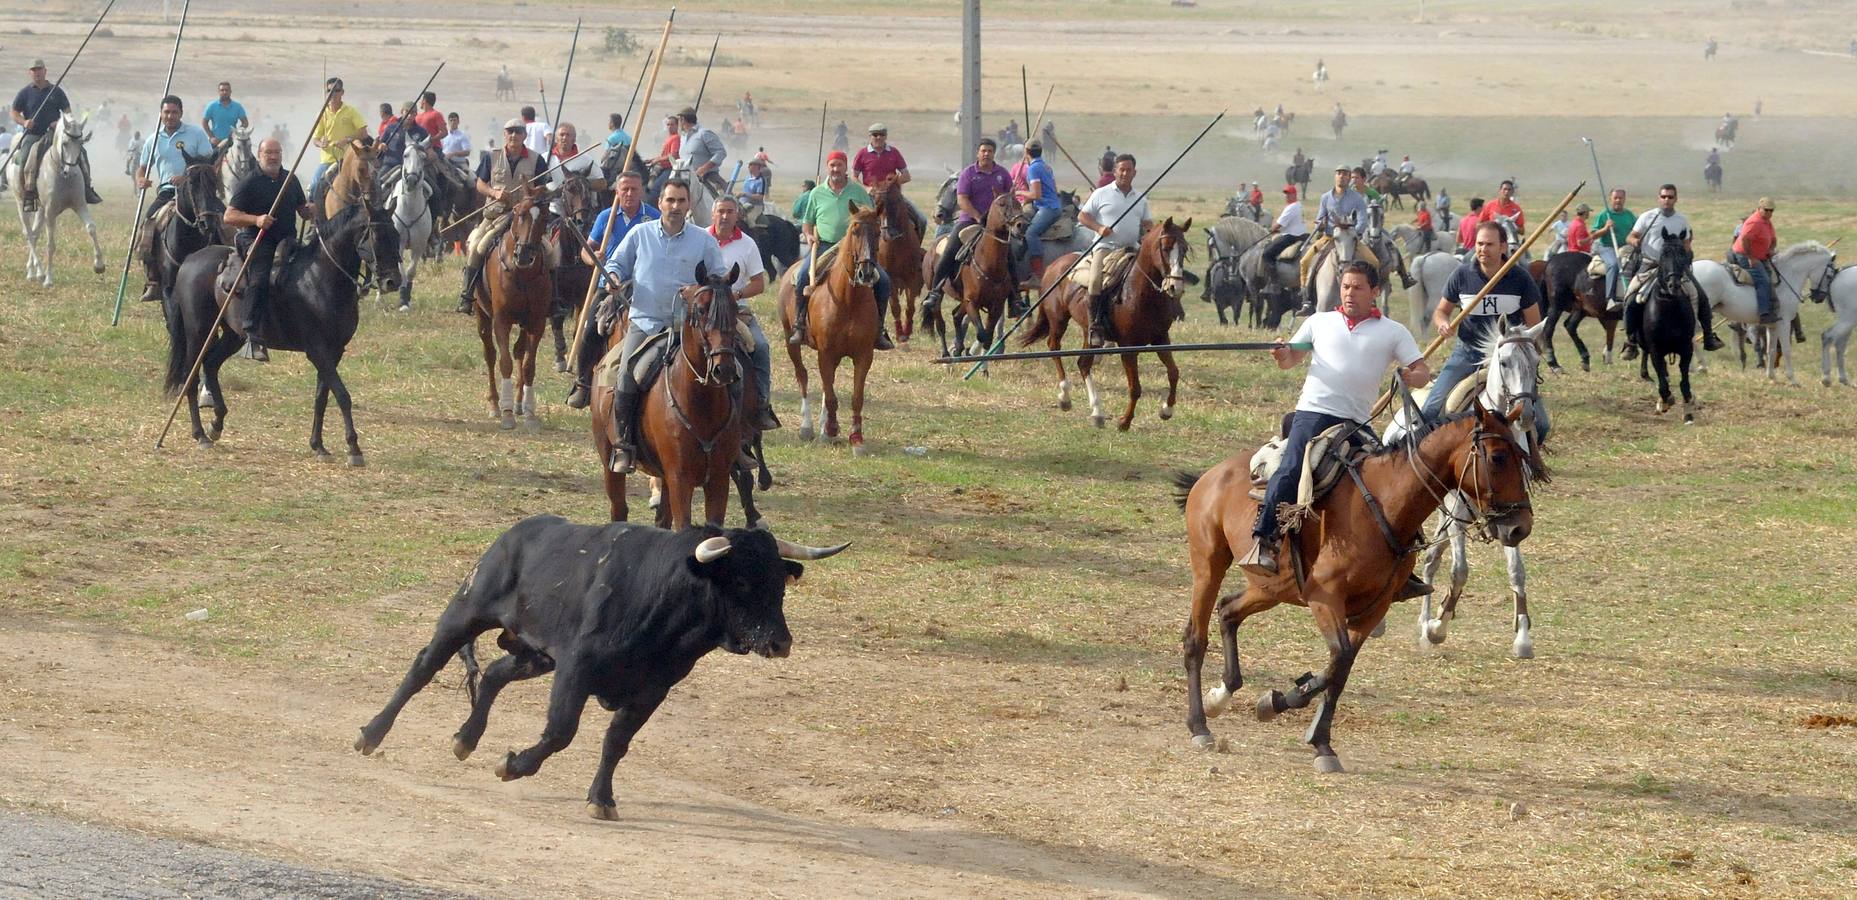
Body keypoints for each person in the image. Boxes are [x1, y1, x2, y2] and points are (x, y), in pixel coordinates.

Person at [1240, 261, 1432, 580]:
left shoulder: (1393, 332)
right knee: (1291, 467)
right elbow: (1291, 359)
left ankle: (1404, 557)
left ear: (1375, 292)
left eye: (1357, 287)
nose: (1349, 293)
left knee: (1393, 477)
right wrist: (1281, 354)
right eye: (1345, 286)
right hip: (1313, 413)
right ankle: (1264, 539)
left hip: (1357, 423)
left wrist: (1413, 376)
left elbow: (1422, 370)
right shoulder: (1319, 322)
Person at [602, 178, 727, 474]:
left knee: (733, 371)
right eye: (670, 200)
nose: (675, 206)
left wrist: (698, 290)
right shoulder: (639, 234)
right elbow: (614, 264)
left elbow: (719, 280)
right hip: (646, 323)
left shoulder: (704, 241)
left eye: (681, 201)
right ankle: (624, 444)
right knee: (626, 377)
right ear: (660, 203)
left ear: (688, 205)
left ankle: (741, 442)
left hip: (693, 328)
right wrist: (614, 277)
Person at [1421, 221, 1547, 431]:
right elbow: (1441, 312)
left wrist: (1528, 357)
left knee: (1541, 425)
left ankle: (1530, 462)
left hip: (1510, 356)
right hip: (1468, 353)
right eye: (1479, 244)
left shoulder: (1521, 278)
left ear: (1503, 247)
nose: (1482, 249)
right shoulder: (1462, 275)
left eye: (1489, 244)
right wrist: (1443, 324)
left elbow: (1533, 325)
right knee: (1430, 411)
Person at [565, 170, 658, 409]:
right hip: (609, 285)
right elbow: (587, 249)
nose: (628, 193)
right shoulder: (605, 217)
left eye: (633, 189)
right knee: (588, 332)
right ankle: (584, 383)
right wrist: (592, 258)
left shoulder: (653, 217)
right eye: (624, 189)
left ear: (641, 191)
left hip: (643, 285)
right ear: (617, 191)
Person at [791, 150, 895, 350]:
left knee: (883, 281)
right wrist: (809, 235)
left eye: (839, 165)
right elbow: (807, 222)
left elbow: (871, 217)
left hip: (854, 246)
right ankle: (799, 324)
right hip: (825, 245)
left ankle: (879, 329)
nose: (835, 169)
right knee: (803, 275)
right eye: (832, 165)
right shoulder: (816, 193)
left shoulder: (858, 192)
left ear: (845, 167)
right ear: (827, 167)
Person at [223, 137, 314, 362]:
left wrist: (309, 210)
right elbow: (229, 215)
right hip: (257, 239)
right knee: (260, 278)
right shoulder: (249, 182)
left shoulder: (289, 180)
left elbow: (301, 209)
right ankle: (252, 332)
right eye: (268, 152)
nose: (273, 156)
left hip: (287, 240)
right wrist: (256, 219)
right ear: (259, 154)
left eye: (277, 152)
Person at [922, 138, 1023, 331]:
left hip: (998, 226)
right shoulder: (968, 173)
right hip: (969, 221)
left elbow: (1010, 199)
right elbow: (962, 200)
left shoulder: (1002, 174)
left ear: (994, 153)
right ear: (978, 153)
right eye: (983, 150)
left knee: (1010, 258)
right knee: (950, 250)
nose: (986, 154)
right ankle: (935, 291)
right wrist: (978, 217)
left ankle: (1015, 300)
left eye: (990, 151)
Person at [1618, 183, 1723, 354]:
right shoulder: (1647, 217)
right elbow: (1632, 236)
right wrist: (1634, 242)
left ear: (1676, 199)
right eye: (1664, 196)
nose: (1667, 200)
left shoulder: (1682, 220)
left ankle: (1708, 335)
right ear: (1659, 198)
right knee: (1630, 298)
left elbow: (1687, 243)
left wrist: (1686, 253)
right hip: (1649, 265)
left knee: (1700, 296)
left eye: (1670, 197)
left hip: (1674, 269)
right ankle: (1631, 341)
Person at [707, 194, 782, 434]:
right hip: (704, 312)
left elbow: (759, 283)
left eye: (730, 211)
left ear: (737, 214)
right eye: (721, 211)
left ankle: (761, 403)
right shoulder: (699, 238)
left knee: (760, 346)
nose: (725, 216)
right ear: (713, 214)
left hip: (736, 311)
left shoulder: (747, 244)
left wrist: (736, 295)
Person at [455, 119, 546, 313]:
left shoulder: (537, 159)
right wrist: (494, 193)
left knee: (551, 253)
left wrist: (532, 194)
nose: (514, 135)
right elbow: (480, 183)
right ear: (504, 134)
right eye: (510, 131)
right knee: (478, 246)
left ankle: (553, 300)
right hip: (496, 215)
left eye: (518, 131)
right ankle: (467, 294)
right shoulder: (492, 157)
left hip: (525, 217)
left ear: (525, 135)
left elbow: (544, 186)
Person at [132, 94, 214, 301]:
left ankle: (231, 264)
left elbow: (209, 164)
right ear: (160, 114)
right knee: (147, 226)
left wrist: (187, 177)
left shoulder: (196, 134)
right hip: (167, 192)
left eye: (174, 112)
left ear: (181, 113)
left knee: (222, 221)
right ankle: (153, 280)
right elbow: (141, 169)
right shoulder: (153, 140)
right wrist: (141, 180)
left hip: (196, 191)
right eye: (166, 112)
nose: (170, 116)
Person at [1077, 153, 1152, 348]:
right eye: (1122, 169)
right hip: (1105, 248)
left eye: (1129, 170)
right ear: (1115, 171)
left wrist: (1149, 234)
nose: (1125, 173)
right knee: (1095, 280)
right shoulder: (1101, 193)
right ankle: (1095, 325)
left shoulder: (1141, 199)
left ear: (1135, 173)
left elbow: (1147, 224)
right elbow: (1082, 216)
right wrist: (1099, 228)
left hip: (1131, 249)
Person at [11, 58, 102, 210]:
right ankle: (28, 193)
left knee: (81, 152)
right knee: (26, 156)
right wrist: (24, 122)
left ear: (45, 71)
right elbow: (14, 112)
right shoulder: (25, 93)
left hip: (55, 134)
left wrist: (60, 123)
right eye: (33, 70)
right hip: (33, 134)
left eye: (39, 69)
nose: (37, 73)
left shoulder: (56, 92)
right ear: (30, 73)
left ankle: (87, 188)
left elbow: (68, 113)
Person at [1294, 165, 1368, 316]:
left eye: (1345, 174)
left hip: (1349, 238)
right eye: (1339, 173)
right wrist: (1320, 223)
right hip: (1329, 237)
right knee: (1305, 261)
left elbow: (1363, 220)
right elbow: (1320, 217)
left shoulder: (1357, 198)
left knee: (1374, 261)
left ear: (1349, 178)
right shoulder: (1326, 197)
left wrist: (1355, 232)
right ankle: (1306, 299)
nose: (1342, 176)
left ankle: (1370, 298)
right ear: (1335, 176)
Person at [850, 122, 927, 235]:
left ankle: (916, 249)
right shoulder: (862, 154)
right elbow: (853, 177)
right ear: (870, 137)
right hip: (869, 198)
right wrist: (866, 188)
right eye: (875, 135)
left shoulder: (894, 152)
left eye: (882, 134)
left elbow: (906, 176)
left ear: (886, 136)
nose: (878, 137)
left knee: (922, 220)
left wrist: (890, 186)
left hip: (892, 197)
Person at [309, 77, 367, 192]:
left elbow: (363, 133)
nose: (333, 94)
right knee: (315, 186)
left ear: (342, 92)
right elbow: (315, 139)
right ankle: (314, 209)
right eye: (329, 91)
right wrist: (321, 144)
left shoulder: (351, 111)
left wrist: (348, 139)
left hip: (348, 159)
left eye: (336, 90)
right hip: (328, 160)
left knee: (367, 184)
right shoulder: (322, 113)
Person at [1019, 141, 1061, 286]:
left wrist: (1018, 192)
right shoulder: (1047, 166)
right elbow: (1054, 189)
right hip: (1052, 205)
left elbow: (1036, 194)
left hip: (1047, 208)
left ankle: (1037, 275)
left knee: (1031, 233)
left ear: (1026, 152)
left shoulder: (1033, 168)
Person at [1731, 198, 1778, 324]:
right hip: (1744, 255)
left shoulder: (1767, 221)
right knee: (1763, 279)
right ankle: (1763, 313)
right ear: (1759, 209)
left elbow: (1773, 239)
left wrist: (1771, 249)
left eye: (1771, 211)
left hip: (1762, 255)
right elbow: (1745, 240)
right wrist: (1751, 257)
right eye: (1766, 210)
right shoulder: (1754, 222)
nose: (1769, 213)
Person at [676, 106, 728, 199]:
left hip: (708, 177)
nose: (678, 123)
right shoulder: (683, 137)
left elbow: (721, 152)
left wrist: (704, 168)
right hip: (686, 178)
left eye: (679, 120)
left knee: (727, 201)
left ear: (683, 119)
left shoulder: (704, 133)